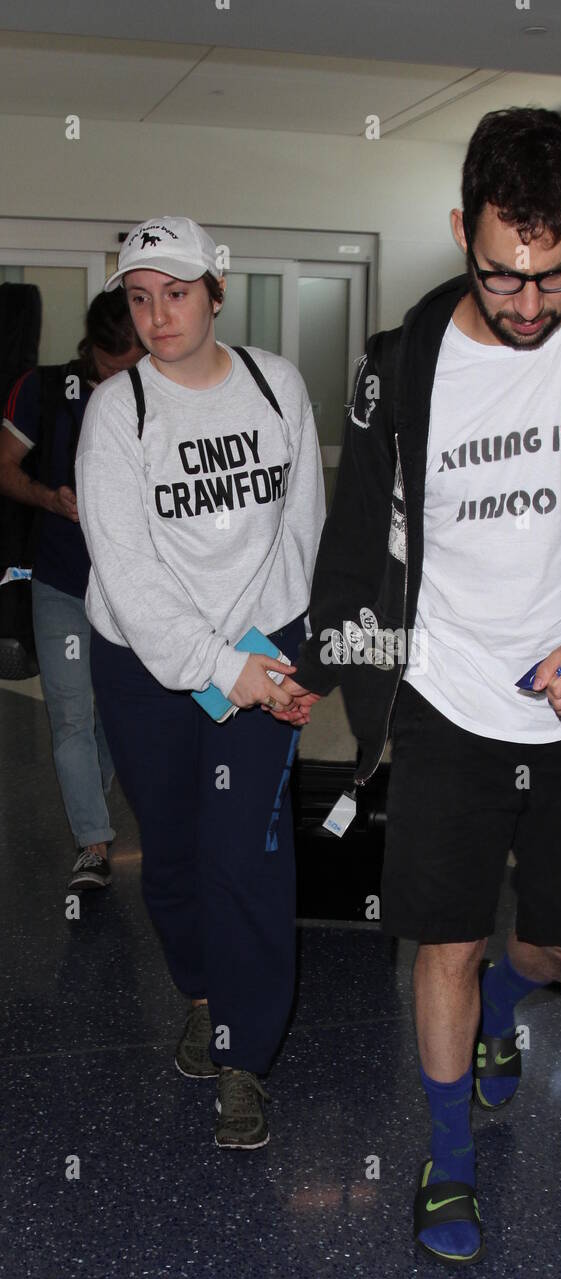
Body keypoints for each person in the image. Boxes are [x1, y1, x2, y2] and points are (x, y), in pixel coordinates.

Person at [280, 109, 561, 1263]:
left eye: (554, 275)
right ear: (461, 229)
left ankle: (511, 1011)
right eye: (504, 276)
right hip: (444, 702)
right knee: (446, 942)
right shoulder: (398, 370)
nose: (528, 305)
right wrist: (322, 664)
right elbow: (358, 546)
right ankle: (446, 1157)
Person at [75, 216, 325, 1149]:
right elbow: (130, 573)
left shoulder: (274, 385)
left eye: (175, 293)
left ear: (216, 292)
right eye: (139, 299)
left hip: (259, 652)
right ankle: (204, 994)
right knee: (175, 858)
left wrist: (264, 657)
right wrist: (219, 668)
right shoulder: (118, 412)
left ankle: (242, 1057)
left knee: (248, 858)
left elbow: (298, 525)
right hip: (146, 668)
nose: (157, 315)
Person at [0, 290, 144, 892]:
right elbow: (5, 469)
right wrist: (50, 499)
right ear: (90, 347)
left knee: (113, 716)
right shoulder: (43, 389)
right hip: (61, 583)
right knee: (70, 716)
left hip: (134, 592)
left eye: (130, 363)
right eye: (110, 365)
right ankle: (91, 842)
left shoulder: (158, 390)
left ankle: (94, 809)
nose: (120, 374)